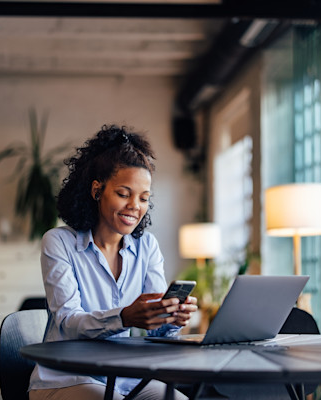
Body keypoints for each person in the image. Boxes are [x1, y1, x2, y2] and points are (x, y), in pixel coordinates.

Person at [28, 125, 198, 400]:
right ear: (97, 190)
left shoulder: (147, 247)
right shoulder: (59, 242)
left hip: (127, 380)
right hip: (66, 379)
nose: (135, 206)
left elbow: (157, 331)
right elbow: (68, 320)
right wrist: (124, 317)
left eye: (144, 198)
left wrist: (172, 317)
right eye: (123, 193)